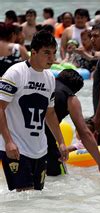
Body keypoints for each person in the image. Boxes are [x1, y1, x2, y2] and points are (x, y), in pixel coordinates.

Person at [0, 30, 68, 191]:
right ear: (34, 52)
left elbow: (50, 113)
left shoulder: (50, 77)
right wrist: (8, 141)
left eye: (53, 53)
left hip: (39, 149)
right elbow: (0, 107)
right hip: (16, 148)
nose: (52, 58)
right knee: (25, 199)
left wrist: (61, 142)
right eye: (46, 53)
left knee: (35, 201)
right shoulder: (16, 73)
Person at [46, 69, 100, 176]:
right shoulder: (70, 98)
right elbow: (84, 133)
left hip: (21, 143)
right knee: (60, 180)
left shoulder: (43, 87)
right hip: (47, 148)